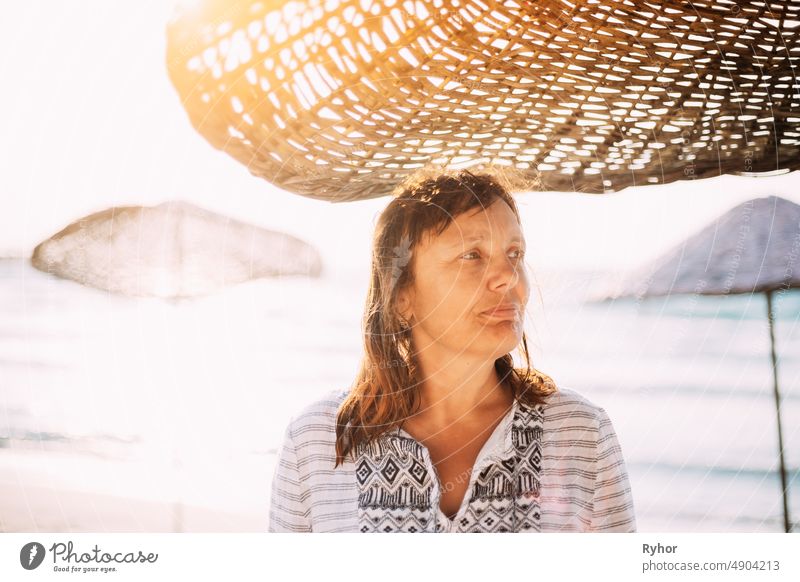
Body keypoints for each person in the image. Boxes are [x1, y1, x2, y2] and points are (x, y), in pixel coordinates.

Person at [268, 167, 636, 533]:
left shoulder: (581, 433)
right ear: (401, 297)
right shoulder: (316, 441)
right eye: (472, 255)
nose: (508, 275)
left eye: (514, 252)